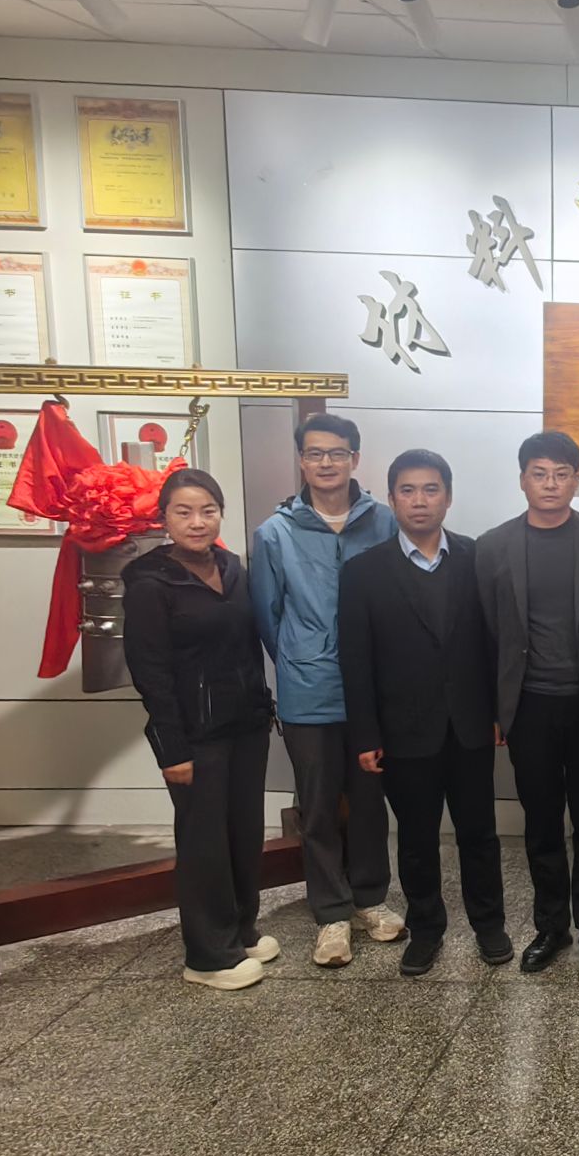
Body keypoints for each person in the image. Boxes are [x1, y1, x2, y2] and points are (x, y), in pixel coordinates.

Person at [340, 450, 511, 977]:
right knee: (416, 838)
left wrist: (499, 711)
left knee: (479, 833)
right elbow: (356, 660)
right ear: (392, 499)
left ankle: (489, 925)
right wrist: (365, 733)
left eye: (431, 489)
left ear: (448, 497)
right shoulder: (363, 572)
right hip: (403, 729)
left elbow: (495, 643)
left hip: (470, 725)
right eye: (408, 490)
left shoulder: (477, 557)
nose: (420, 500)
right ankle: (427, 929)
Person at [250, 412, 403, 969]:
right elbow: (267, 616)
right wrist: (301, 660)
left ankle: (369, 899)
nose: (326, 462)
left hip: (374, 692)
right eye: (314, 453)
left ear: (355, 459)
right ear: (301, 460)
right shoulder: (275, 533)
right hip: (308, 692)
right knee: (315, 807)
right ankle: (331, 913)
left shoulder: (383, 521)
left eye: (337, 452)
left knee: (369, 802)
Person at [123, 469, 278, 991]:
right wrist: (172, 748)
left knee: (244, 833)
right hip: (195, 736)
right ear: (164, 519)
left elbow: (248, 646)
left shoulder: (231, 568)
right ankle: (208, 956)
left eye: (208, 510)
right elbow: (150, 673)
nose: (197, 522)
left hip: (247, 725)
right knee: (203, 842)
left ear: (220, 515)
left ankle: (241, 929)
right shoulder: (150, 583)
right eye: (184, 512)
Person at [476, 431, 579, 975]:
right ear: (522, 480)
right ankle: (551, 927)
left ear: (576, 480)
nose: (551, 484)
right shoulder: (493, 546)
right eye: (540, 473)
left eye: (561, 474)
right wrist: (495, 707)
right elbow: (486, 634)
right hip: (528, 705)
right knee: (541, 822)